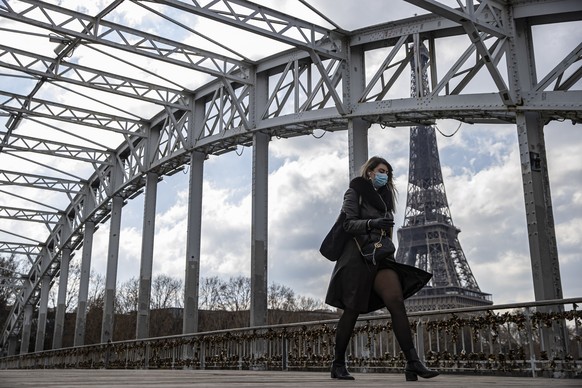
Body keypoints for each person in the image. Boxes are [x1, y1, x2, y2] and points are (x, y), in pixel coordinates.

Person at [325, 156, 439, 381]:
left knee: (396, 301)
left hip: (380, 256)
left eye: (387, 172)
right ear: (369, 172)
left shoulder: (386, 200)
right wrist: (372, 223)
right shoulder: (354, 193)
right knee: (352, 310)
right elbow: (348, 224)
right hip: (357, 257)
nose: (384, 175)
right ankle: (338, 364)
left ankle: (412, 362)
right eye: (380, 170)